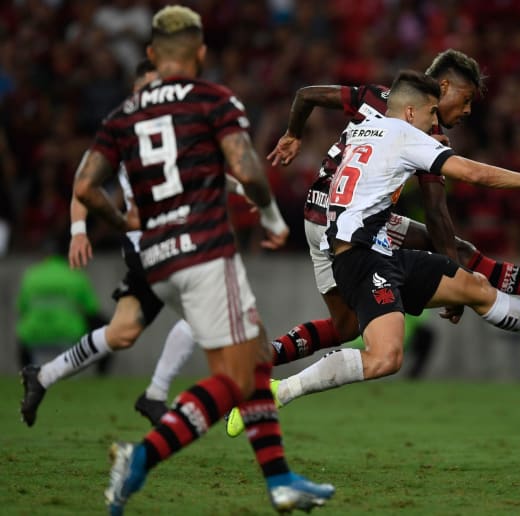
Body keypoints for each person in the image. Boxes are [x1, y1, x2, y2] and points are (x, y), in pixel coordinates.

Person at [224, 50, 520, 436]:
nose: (445, 122)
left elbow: (307, 95)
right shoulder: (411, 134)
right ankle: (278, 391)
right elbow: (465, 184)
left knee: (468, 285)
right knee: (387, 354)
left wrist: (294, 134)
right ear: (419, 106)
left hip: (337, 221)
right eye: (443, 110)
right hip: (357, 246)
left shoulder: (371, 112)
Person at [71, 6, 333, 514]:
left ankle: (274, 480)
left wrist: (125, 221)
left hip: (157, 260)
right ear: (201, 53)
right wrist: (271, 216)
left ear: (150, 54)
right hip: (206, 251)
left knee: (248, 365)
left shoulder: (122, 115)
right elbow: (244, 165)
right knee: (242, 367)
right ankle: (143, 457)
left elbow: (85, 185)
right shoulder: (211, 99)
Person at [18, 59, 197, 429]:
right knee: (206, 313)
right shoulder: (117, 131)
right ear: (135, 92)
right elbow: (84, 185)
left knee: (121, 332)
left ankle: (44, 376)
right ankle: (155, 395)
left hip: (165, 240)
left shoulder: (172, 130)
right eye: (147, 87)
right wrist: (78, 230)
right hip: (149, 243)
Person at [16, 253, 105, 370]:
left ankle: (26, 375)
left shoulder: (31, 274)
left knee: (23, 337)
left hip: (34, 334)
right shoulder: (75, 275)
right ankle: (101, 374)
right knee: (106, 329)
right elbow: (92, 309)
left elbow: (21, 308)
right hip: (69, 332)